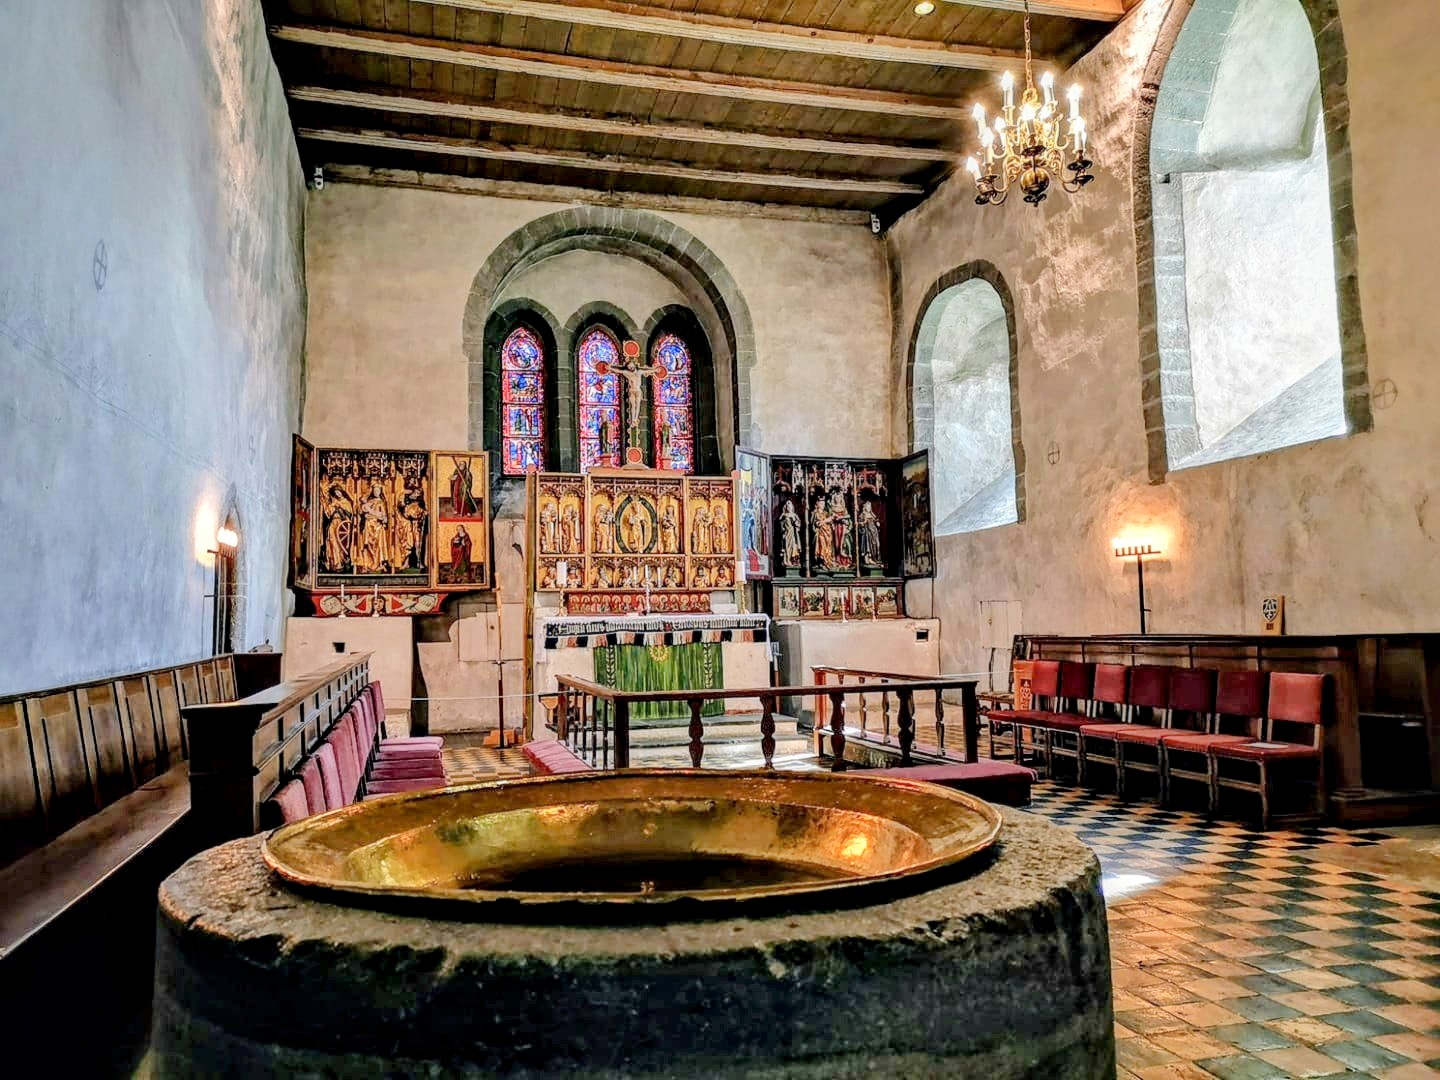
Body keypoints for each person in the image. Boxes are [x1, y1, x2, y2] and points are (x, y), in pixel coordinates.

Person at [779, 499, 802, 568]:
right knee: (787, 547)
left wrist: (796, 524)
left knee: (794, 546)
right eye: (787, 507)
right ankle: (787, 561)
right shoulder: (783, 516)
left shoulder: (794, 515)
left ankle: (793, 561)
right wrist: (783, 531)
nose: (789, 508)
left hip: (794, 534)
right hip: (787, 533)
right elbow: (781, 525)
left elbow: (799, 524)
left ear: (792, 507)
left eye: (790, 506)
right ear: (785, 507)